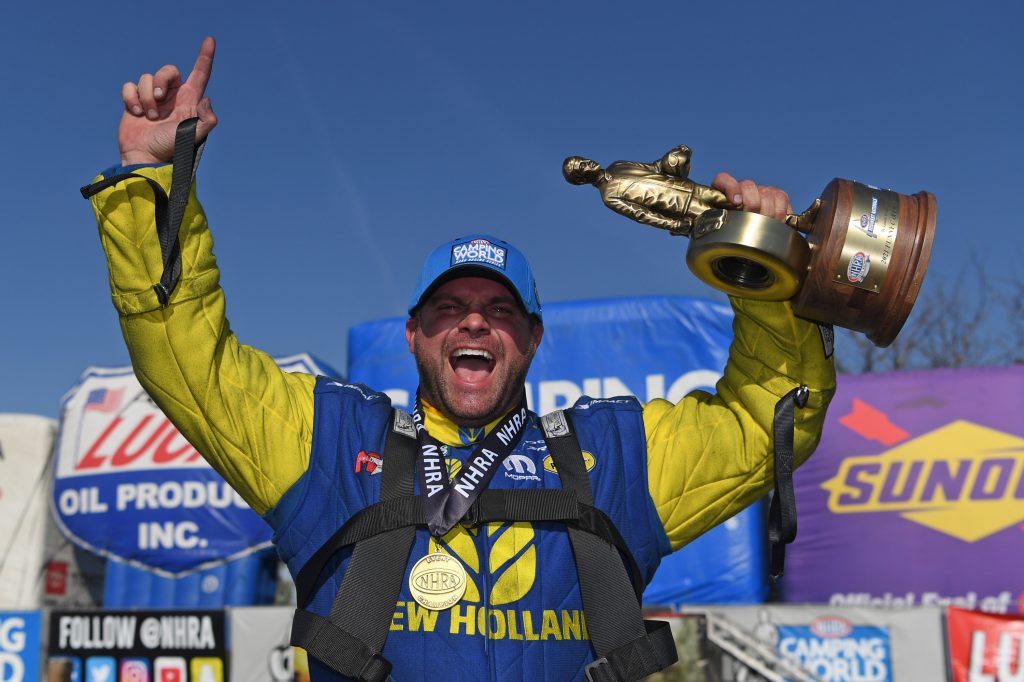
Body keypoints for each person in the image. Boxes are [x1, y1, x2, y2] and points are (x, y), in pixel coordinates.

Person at [84, 37, 835, 682]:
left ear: (532, 339)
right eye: (449, 308)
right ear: (414, 335)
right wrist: (154, 175)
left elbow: (768, 422)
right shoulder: (330, 444)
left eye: (500, 309)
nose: (474, 320)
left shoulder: (612, 456)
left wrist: (766, 275)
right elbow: (189, 358)